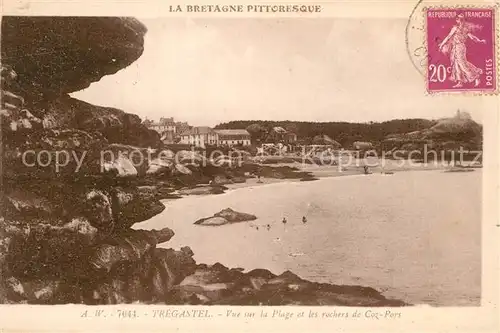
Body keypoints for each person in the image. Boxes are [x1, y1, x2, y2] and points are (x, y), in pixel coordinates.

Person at [438, 13, 486, 88]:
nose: (458, 20)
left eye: (459, 19)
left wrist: (480, 41)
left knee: (462, 63)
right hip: (456, 47)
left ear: (460, 20)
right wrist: (480, 41)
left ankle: (476, 77)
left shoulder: (460, 29)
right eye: (458, 19)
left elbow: (471, 37)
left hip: (460, 47)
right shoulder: (458, 28)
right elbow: (449, 37)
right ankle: (460, 82)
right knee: (456, 64)